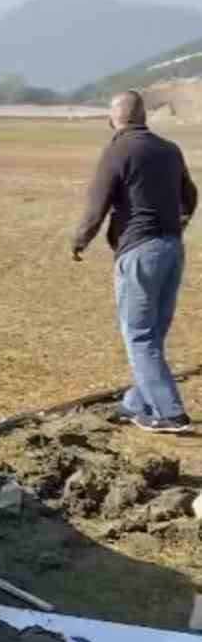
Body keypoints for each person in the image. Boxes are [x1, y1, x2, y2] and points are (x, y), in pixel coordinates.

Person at [72, 89, 196, 434]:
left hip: (140, 251)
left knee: (139, 335)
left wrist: (80, 240)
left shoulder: (118, 150)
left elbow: (97, 203)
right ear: (144, 117)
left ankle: (169, 413)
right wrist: (179, 223)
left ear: (114, 119)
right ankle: (136, 401)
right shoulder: (169, 150)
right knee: (153, 332)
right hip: (172, 248)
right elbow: (190, 195)